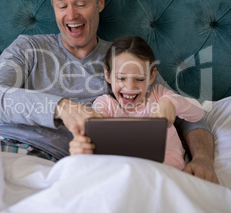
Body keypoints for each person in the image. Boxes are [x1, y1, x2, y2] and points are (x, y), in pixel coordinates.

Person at [0, 0, 219, 183]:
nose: (71, 15)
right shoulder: (27, 47)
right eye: (62, 6)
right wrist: (62, 107)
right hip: (2, 148)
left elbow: (183, 115)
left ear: (100, 2)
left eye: (81, 4)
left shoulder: (123, 59)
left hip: (60, 169)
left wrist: (202, 159)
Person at [69, 35, 205, 170]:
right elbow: (94, 129)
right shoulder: (106, 104)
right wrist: (82, 143)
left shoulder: (159, 95)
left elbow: (197, 114)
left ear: (151, 76)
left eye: (139, 79)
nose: (130, 87)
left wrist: (171, 103)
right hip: (128, 172)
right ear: (108, 75)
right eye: (121, 78)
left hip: (167, 172)